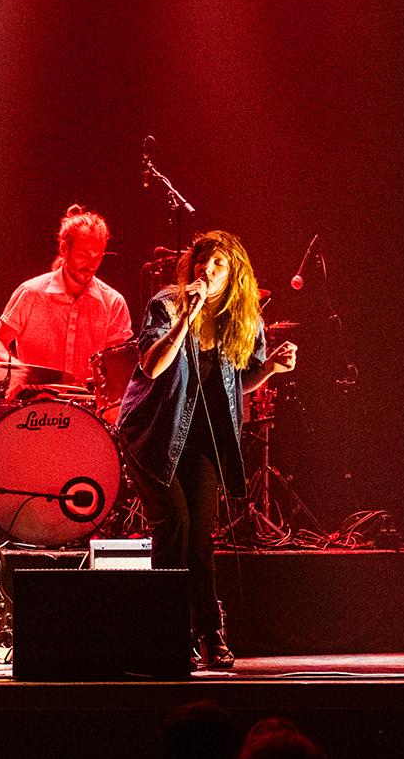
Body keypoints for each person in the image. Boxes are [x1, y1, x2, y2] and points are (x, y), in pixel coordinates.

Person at [119, 231, 297, 669]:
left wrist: (271, 368)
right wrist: (187, 317)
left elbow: (239, 382)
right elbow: (151, 366)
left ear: (234, 273)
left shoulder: (244, 320)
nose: (208, 270)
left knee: (200, 537)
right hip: (152, 433)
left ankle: (210, 634)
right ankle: (169, 633)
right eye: (202, 261)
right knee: (175, 524)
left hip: (203, 439)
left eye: (218, 264)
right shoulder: (167, 304)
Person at [0, 205, 133, 398]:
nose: (91, 265)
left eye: (97, 257)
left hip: (86, 408)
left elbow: (116, 369)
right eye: (84, 255)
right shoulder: (31, 293)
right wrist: (19, 369)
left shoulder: (113, 303)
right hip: (31, 404)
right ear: (64, 249)